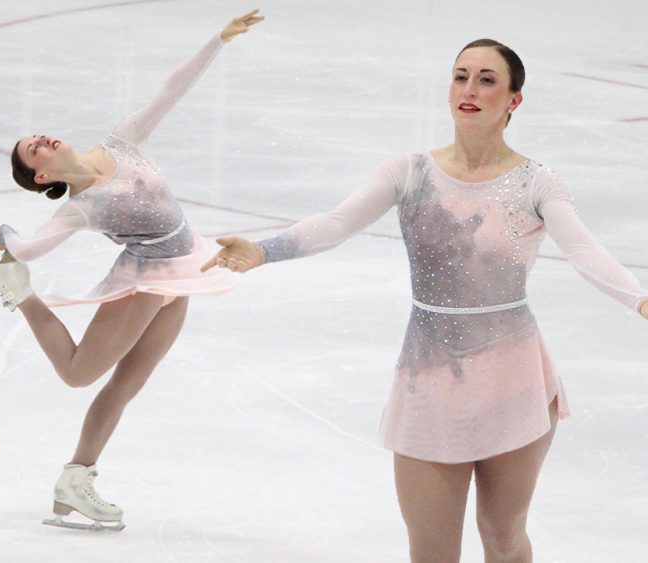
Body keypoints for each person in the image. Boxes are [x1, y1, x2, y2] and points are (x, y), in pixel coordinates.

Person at [203, 38, 648, 562]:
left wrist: (640, 301)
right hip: (429, 376)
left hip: (514, 377)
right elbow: (336, 223)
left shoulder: (537, 183)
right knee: (432, 551)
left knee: (503, 539)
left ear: (513, 100)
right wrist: (261, 249)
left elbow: (584, 249)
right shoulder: (410, 172)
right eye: (461, 76)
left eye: (486, 79)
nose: (469, 89)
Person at [0, 10, 263, 530]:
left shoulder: (121, 142)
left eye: (39, 135)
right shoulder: (80, 205)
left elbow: (169, 91)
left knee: (127, 383)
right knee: (79, 374)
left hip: (185, 268)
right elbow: (30, 248)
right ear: (42, 175)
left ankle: (77, 479)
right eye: (35, 150)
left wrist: (218, 40)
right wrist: (3, 238)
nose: (43, 139)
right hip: (146, 282)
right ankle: (17, 294)